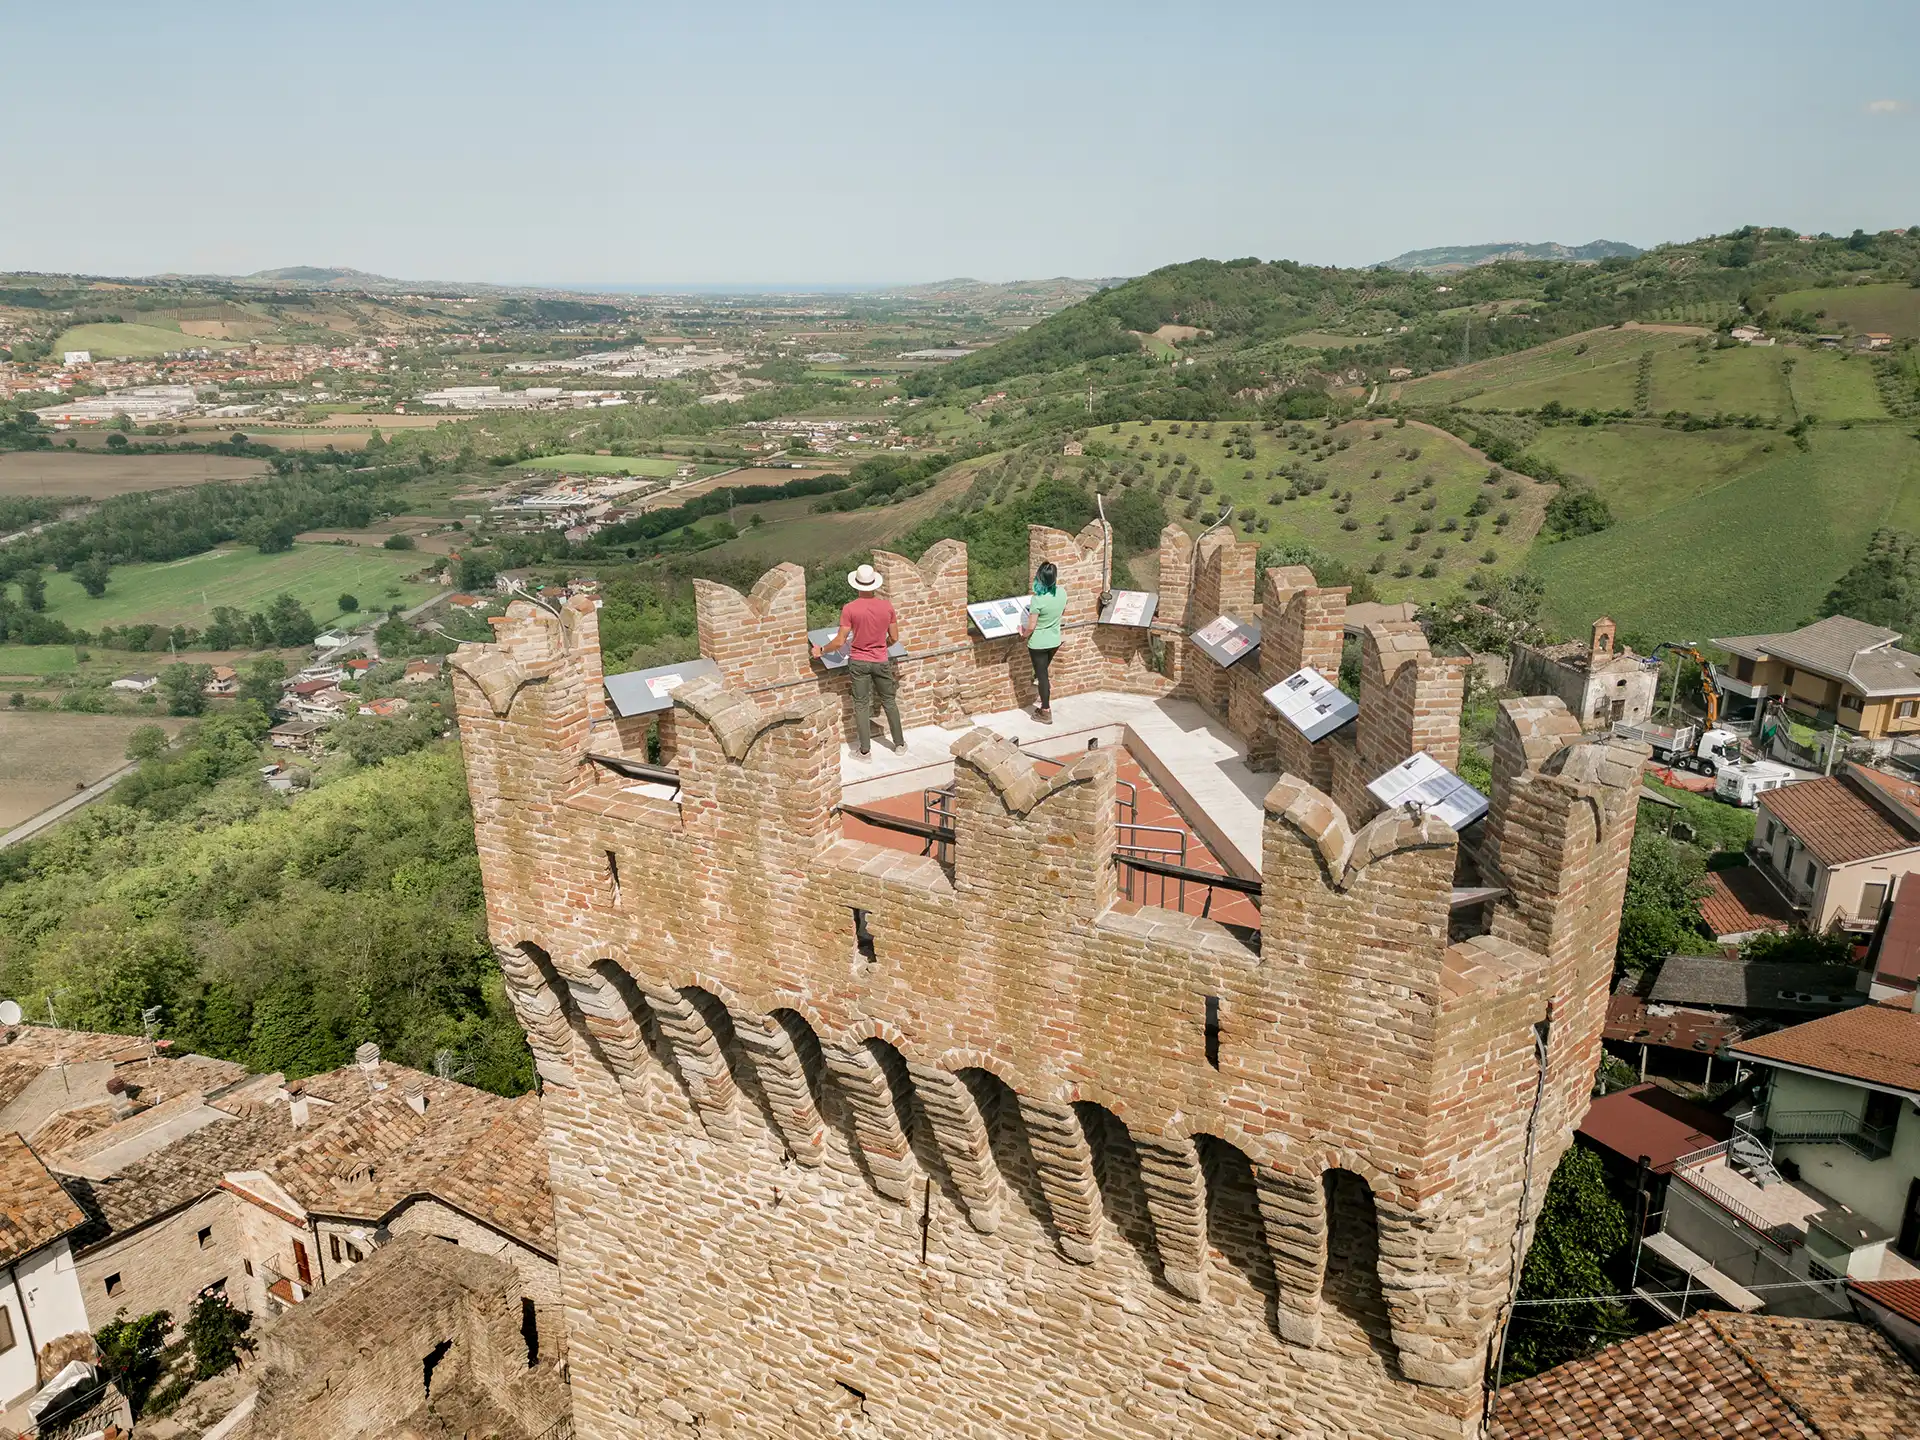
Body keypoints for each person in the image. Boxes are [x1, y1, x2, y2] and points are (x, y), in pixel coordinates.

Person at [812, 562, 906, 756]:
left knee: (861, 704)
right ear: (874, 585)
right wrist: (881, 646)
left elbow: (839, 641)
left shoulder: (850, 609)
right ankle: (899, 744)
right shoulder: (887, 607)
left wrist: (821, 650)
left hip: (858, 661)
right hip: (881, 660)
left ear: (856, 585)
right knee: (889, 701)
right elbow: (895, 638)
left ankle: (864, 751)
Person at [1021, 560, 1066, 724]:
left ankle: (1045, 711)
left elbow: (1031, 626)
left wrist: (1023, 634)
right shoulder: (1062, 593)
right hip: (1054, 640)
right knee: (1043, 672)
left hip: (1038, 643)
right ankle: (1042, 688)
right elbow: (1061, 611)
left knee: (1042, 676)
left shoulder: (1037, 600)